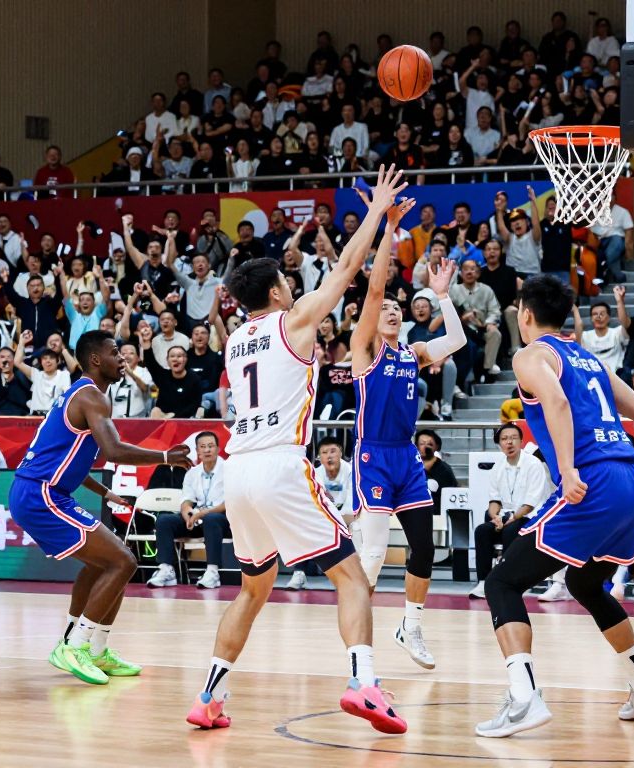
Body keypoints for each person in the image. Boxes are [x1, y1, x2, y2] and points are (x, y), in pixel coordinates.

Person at [187, 165, 410, 734]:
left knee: (253, 589)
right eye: (287, 281)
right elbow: (344, 269)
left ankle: (209, 697)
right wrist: (379, 212)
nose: (294, 284)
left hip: (237, 472)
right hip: (282, 464)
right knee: (354, 578)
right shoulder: (295, 320)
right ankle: (364, 682)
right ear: (277, 291)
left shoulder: (235, 339)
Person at [476, 275, 634, 738]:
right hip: (629, 479)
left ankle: (523, 699)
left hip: (594, 479)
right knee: (586, 582)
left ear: (524, 314)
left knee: (502, 582)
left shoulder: (531, 355)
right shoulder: (588, 357)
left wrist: (565, 470)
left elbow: (557, 402)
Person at [9, 330, 190, 685]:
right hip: (40, 494)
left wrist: (105, 493)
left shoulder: (81, 395)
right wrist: (167, 456)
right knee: (124, 560)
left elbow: (66, 458)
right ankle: (74, 646)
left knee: (104, 564)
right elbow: (115, 451)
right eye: (115, 353)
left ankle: (94, 650)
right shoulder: (92, 397)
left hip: (42, 491)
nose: (122, 359)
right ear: (95, 359)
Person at [351, 197, 465, 671]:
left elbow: (456, 341)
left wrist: (441, 295)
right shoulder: (364, 350)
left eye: (400, 307)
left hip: (406, 458)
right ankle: (359, 643)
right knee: (374, 554)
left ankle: (410, 625)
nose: (393, 311)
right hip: (372, 457)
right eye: (387, 308)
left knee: (424, 547)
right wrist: (387, 231)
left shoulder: (413, 351)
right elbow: (375, 292)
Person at [469, 423, 556, 599]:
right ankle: (484, 582)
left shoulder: (534, 464)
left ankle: (510, 581)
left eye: (513, 438)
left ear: (521, 441)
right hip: (506, 517)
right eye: (504, 439)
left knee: (511, 530)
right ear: (499, 444)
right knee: (482, 531)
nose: (509, 442)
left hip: (531, 517)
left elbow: (531, 503)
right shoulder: (498, 467)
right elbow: (494, 500)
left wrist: (513, 517)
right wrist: (495, 517)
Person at [147, 431, 227, 589]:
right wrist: (188, 514)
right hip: (197, 519)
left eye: (211, 446)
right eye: (202, 447)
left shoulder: (230, 470)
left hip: (222, 520)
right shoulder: (192, 473)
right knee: (164, 520)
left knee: (212, 520)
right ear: (197, 450)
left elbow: (230, 503)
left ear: (218, 448)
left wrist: (202, 513)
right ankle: (167, 570)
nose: (207, 450)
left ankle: (213, 572)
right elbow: (186, 500)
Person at [287, 436, 357, 591]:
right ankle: (299, 573)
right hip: (323, 518)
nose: (329, 456)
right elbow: (309, 506)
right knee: (304, 525)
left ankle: (349, 577)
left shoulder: (352, 471)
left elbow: (350, 509)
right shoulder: (314, 474)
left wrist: (333, 517)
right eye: (324, 452)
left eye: (333, 451)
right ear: (319, 457)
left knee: (354, 526)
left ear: (341, 453)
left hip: (348, 518)